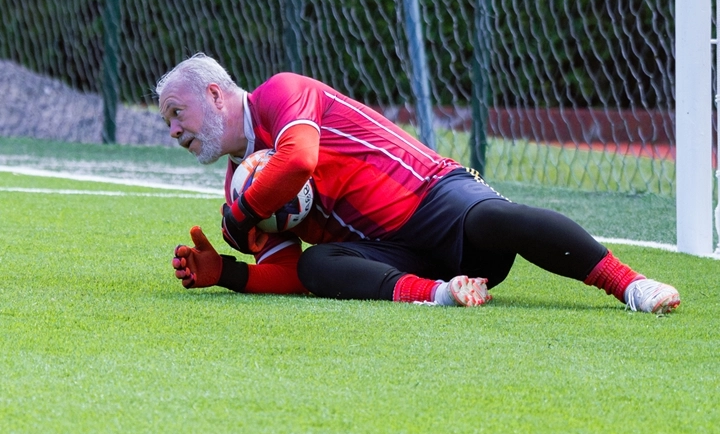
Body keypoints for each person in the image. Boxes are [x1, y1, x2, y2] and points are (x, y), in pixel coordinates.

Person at [157, 53, 680, 314]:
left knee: (498, 219)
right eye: (168, 123)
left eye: (177, 113)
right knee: (318, 265)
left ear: (215, 94)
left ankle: (630, 285)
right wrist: (228, 273)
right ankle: (441, 295)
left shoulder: (279, 93)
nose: (174, 130)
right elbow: (293, 274)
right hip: (395, 256)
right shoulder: (238, 183)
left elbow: (297, 161)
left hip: (434, 197)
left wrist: (241, 215)